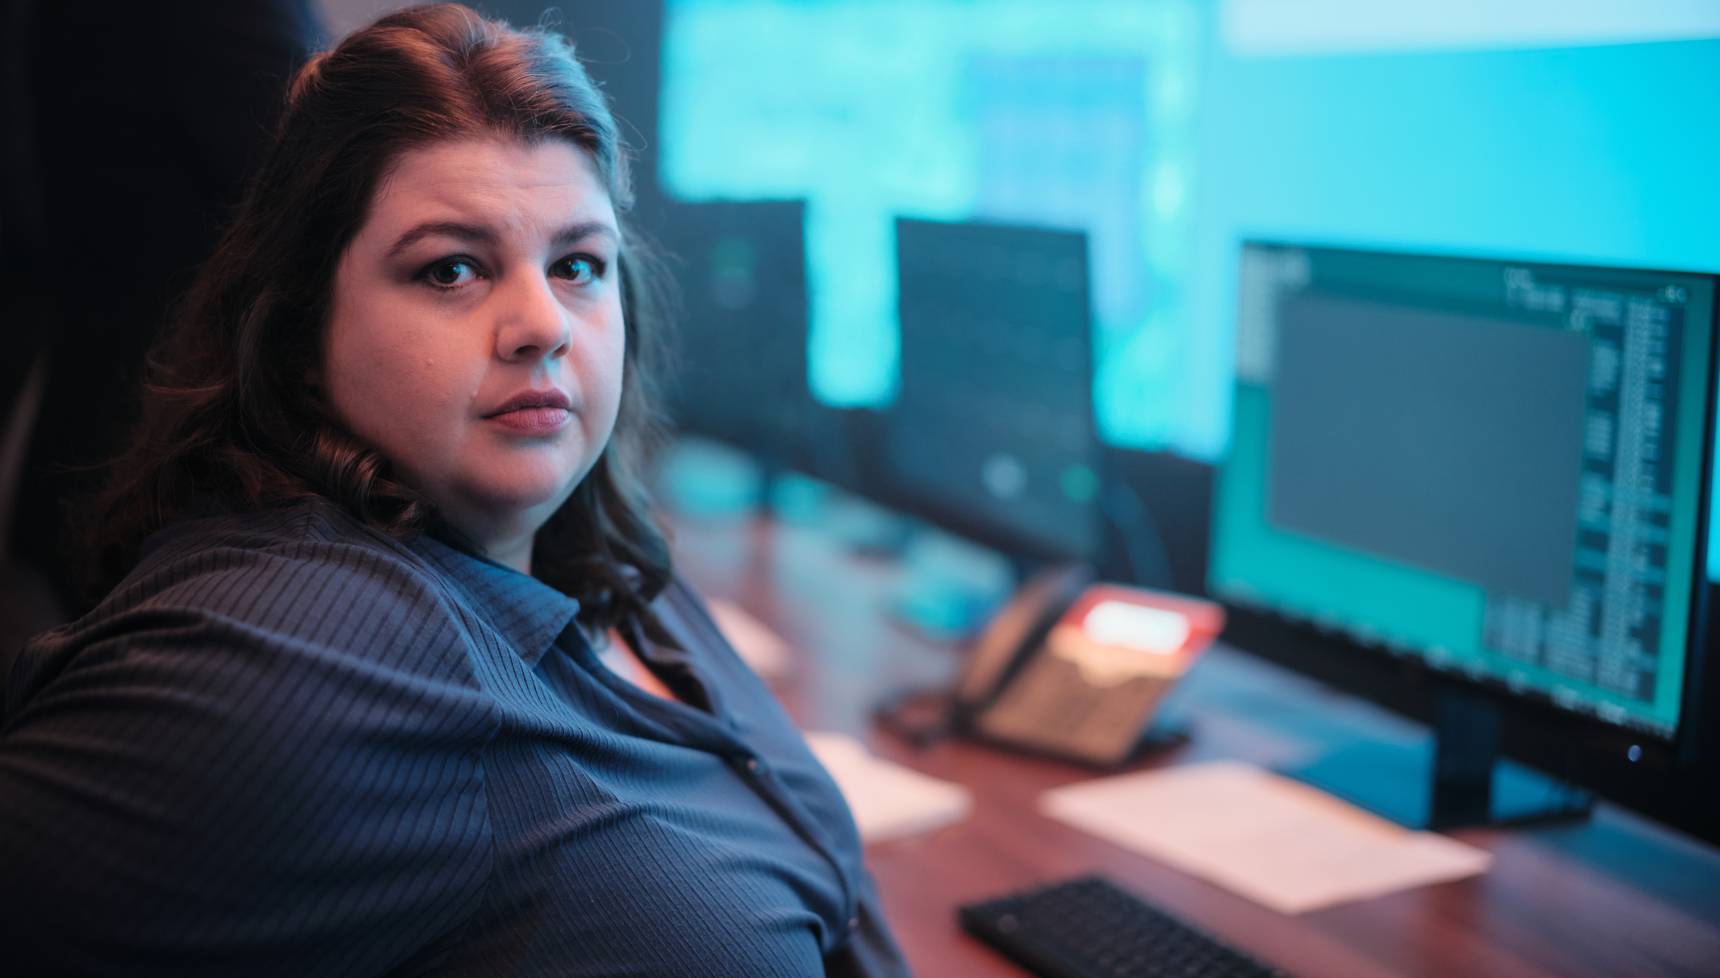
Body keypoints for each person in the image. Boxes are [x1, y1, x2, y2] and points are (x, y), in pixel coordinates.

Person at [0, 6, 914, 976]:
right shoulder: (301, 646)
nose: (543, 323)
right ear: (299, 335)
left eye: (577, 265)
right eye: (450, 270)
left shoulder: (599, 560)